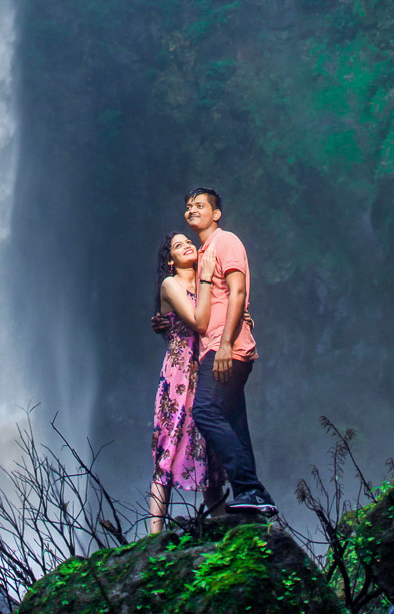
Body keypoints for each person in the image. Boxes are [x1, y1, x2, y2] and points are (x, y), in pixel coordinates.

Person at [183, 187, 275, 516]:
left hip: (226, 348)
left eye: (200, 205)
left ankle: (250, 487)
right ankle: (254, 500)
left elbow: (238, 292)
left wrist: (224, 344)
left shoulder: (226, 241)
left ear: (216, 213)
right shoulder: (203, 253)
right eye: (188, 207)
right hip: (218, 346)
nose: (192, 210)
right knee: (235, 423)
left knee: (205, 411)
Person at [148, 231, 211, 533]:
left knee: (209, 446)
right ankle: (153, 538)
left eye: (188, 242)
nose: (187, 245)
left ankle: (223, 523)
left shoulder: (206, 281)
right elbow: (198, 321)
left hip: (205, 371)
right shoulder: (170, 284)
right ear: (170, 260)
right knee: (169, 444)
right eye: (178, 245)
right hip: (179, 375)